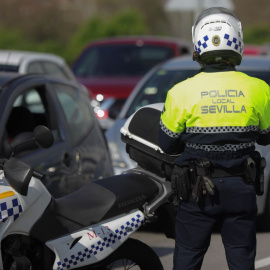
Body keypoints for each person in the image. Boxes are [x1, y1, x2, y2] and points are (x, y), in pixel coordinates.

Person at [158, 7, 270, 270]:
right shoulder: (260, 89)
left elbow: (167, 144)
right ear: (237, 43)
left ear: (198, 45)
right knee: (242, 259)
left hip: (196, 191)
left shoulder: (180, 92)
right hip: (241, 188)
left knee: (187, 258)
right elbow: (266, 138)